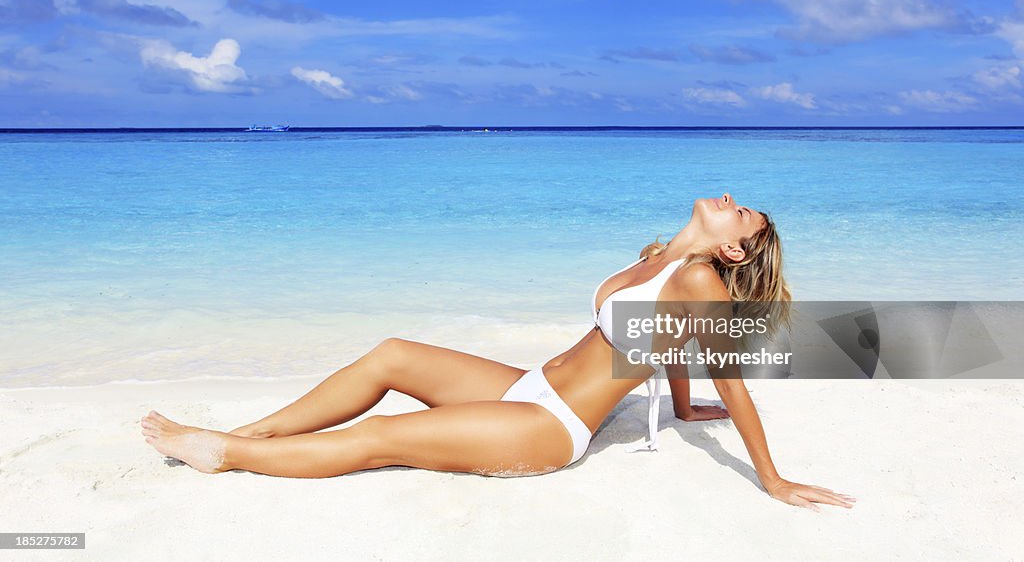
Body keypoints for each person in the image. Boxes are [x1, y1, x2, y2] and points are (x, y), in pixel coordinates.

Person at [141, 193, 855, 511]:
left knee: (382, 438)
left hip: (550, 429)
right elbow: (664, 340)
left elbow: (730, 379)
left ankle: (224, 453)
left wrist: (773, 478)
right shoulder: (657, 257)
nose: (730, 197)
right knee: (392, 353)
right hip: (528, 388)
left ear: (732, 246)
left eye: (742, 211)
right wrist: (681, 401)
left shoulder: (702, 279)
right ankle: (254, 432)